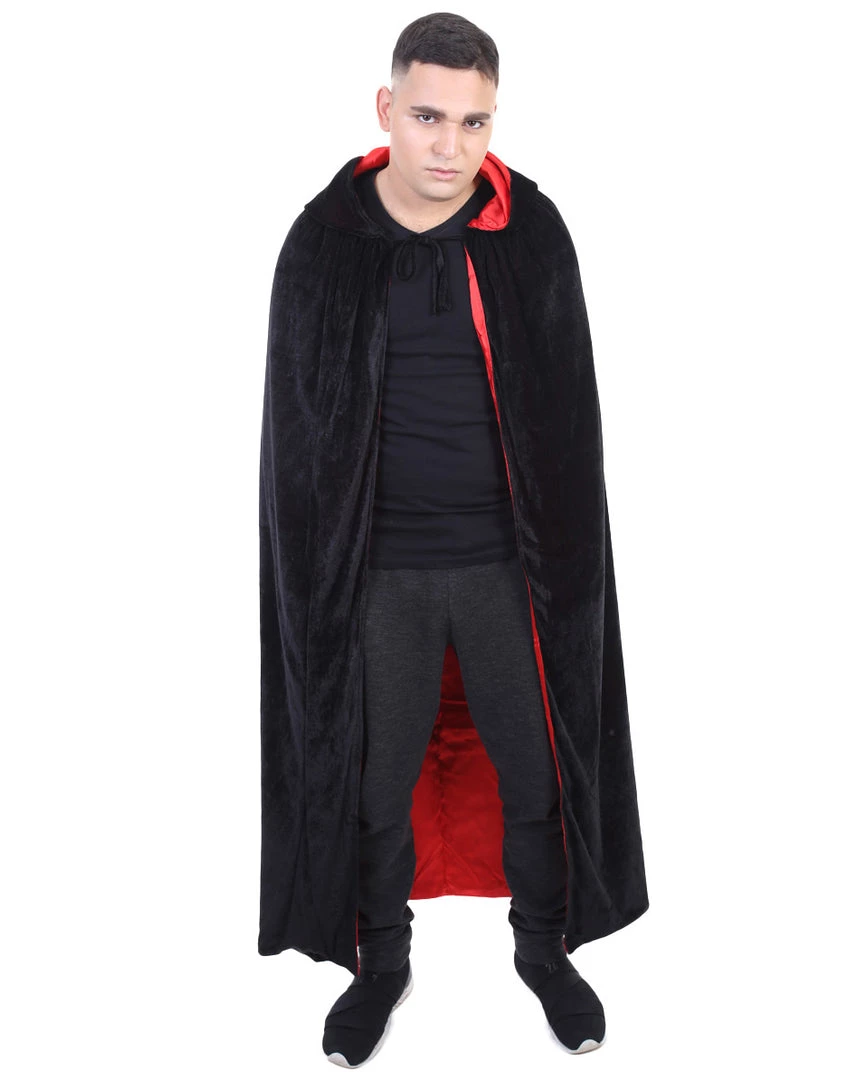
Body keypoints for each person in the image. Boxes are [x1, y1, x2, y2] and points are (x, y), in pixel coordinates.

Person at [258, 11, 649, 1069]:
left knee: (536, 774)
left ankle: (543, 951)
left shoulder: (531, 231)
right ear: (386, 109)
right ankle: (380, 965)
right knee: (372, 785)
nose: (450, 146)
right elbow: (298, 441)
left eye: (474, 122)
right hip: (373, 570)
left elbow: (567, 422)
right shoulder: (324, 242)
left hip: (510, 565)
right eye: (428, 117)